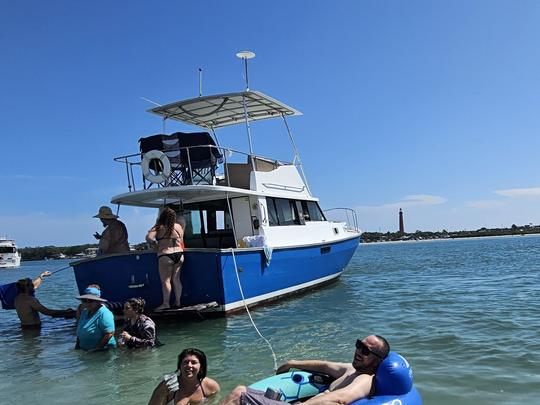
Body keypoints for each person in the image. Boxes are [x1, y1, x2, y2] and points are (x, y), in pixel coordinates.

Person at [219, 335, 390, 405]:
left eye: (366, 351)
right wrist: (292, 363)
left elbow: (339, 399)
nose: (359, 351)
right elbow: (323, 365)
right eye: (359, 345)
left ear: (377, 360)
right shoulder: (350, 370)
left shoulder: (365, 379)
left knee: (240, 393)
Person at [148, 347, 220, 405]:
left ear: (201, 367)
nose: (189, 365)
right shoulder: (168, 386)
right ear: (180, 366)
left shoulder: (210, 386)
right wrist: (163, 391)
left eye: (194, 362)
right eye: (185, 362)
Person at [146, 207, 185, 310]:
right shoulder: (178, 226)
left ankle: (166, 304)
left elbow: (149, 238)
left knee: (166, 281)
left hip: (165, 255)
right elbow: (181, 240)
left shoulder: (158, 227)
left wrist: (155, 244)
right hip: (179, 255)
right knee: (176, 279)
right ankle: (178, 302)